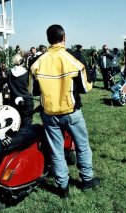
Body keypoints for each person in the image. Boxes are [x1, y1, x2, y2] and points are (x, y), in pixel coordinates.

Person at [31, 24, 100, 198]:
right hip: (72, 111)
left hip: (49, 113)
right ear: (64, 37)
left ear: (48, 39)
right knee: (82, 146)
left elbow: (32, 90)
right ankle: (87, 179)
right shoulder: (74, 57)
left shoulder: (38, 60)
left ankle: (63, 187)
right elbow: (86, 87)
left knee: (56, 150)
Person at [7, 54, 33, 127]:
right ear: (23, 62)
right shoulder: (27, 73)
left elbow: (9, 86)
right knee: (27, 121)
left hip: (14, 99)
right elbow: (30, 88)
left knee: (16, 121)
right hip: (26, 99)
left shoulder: (9, 73)